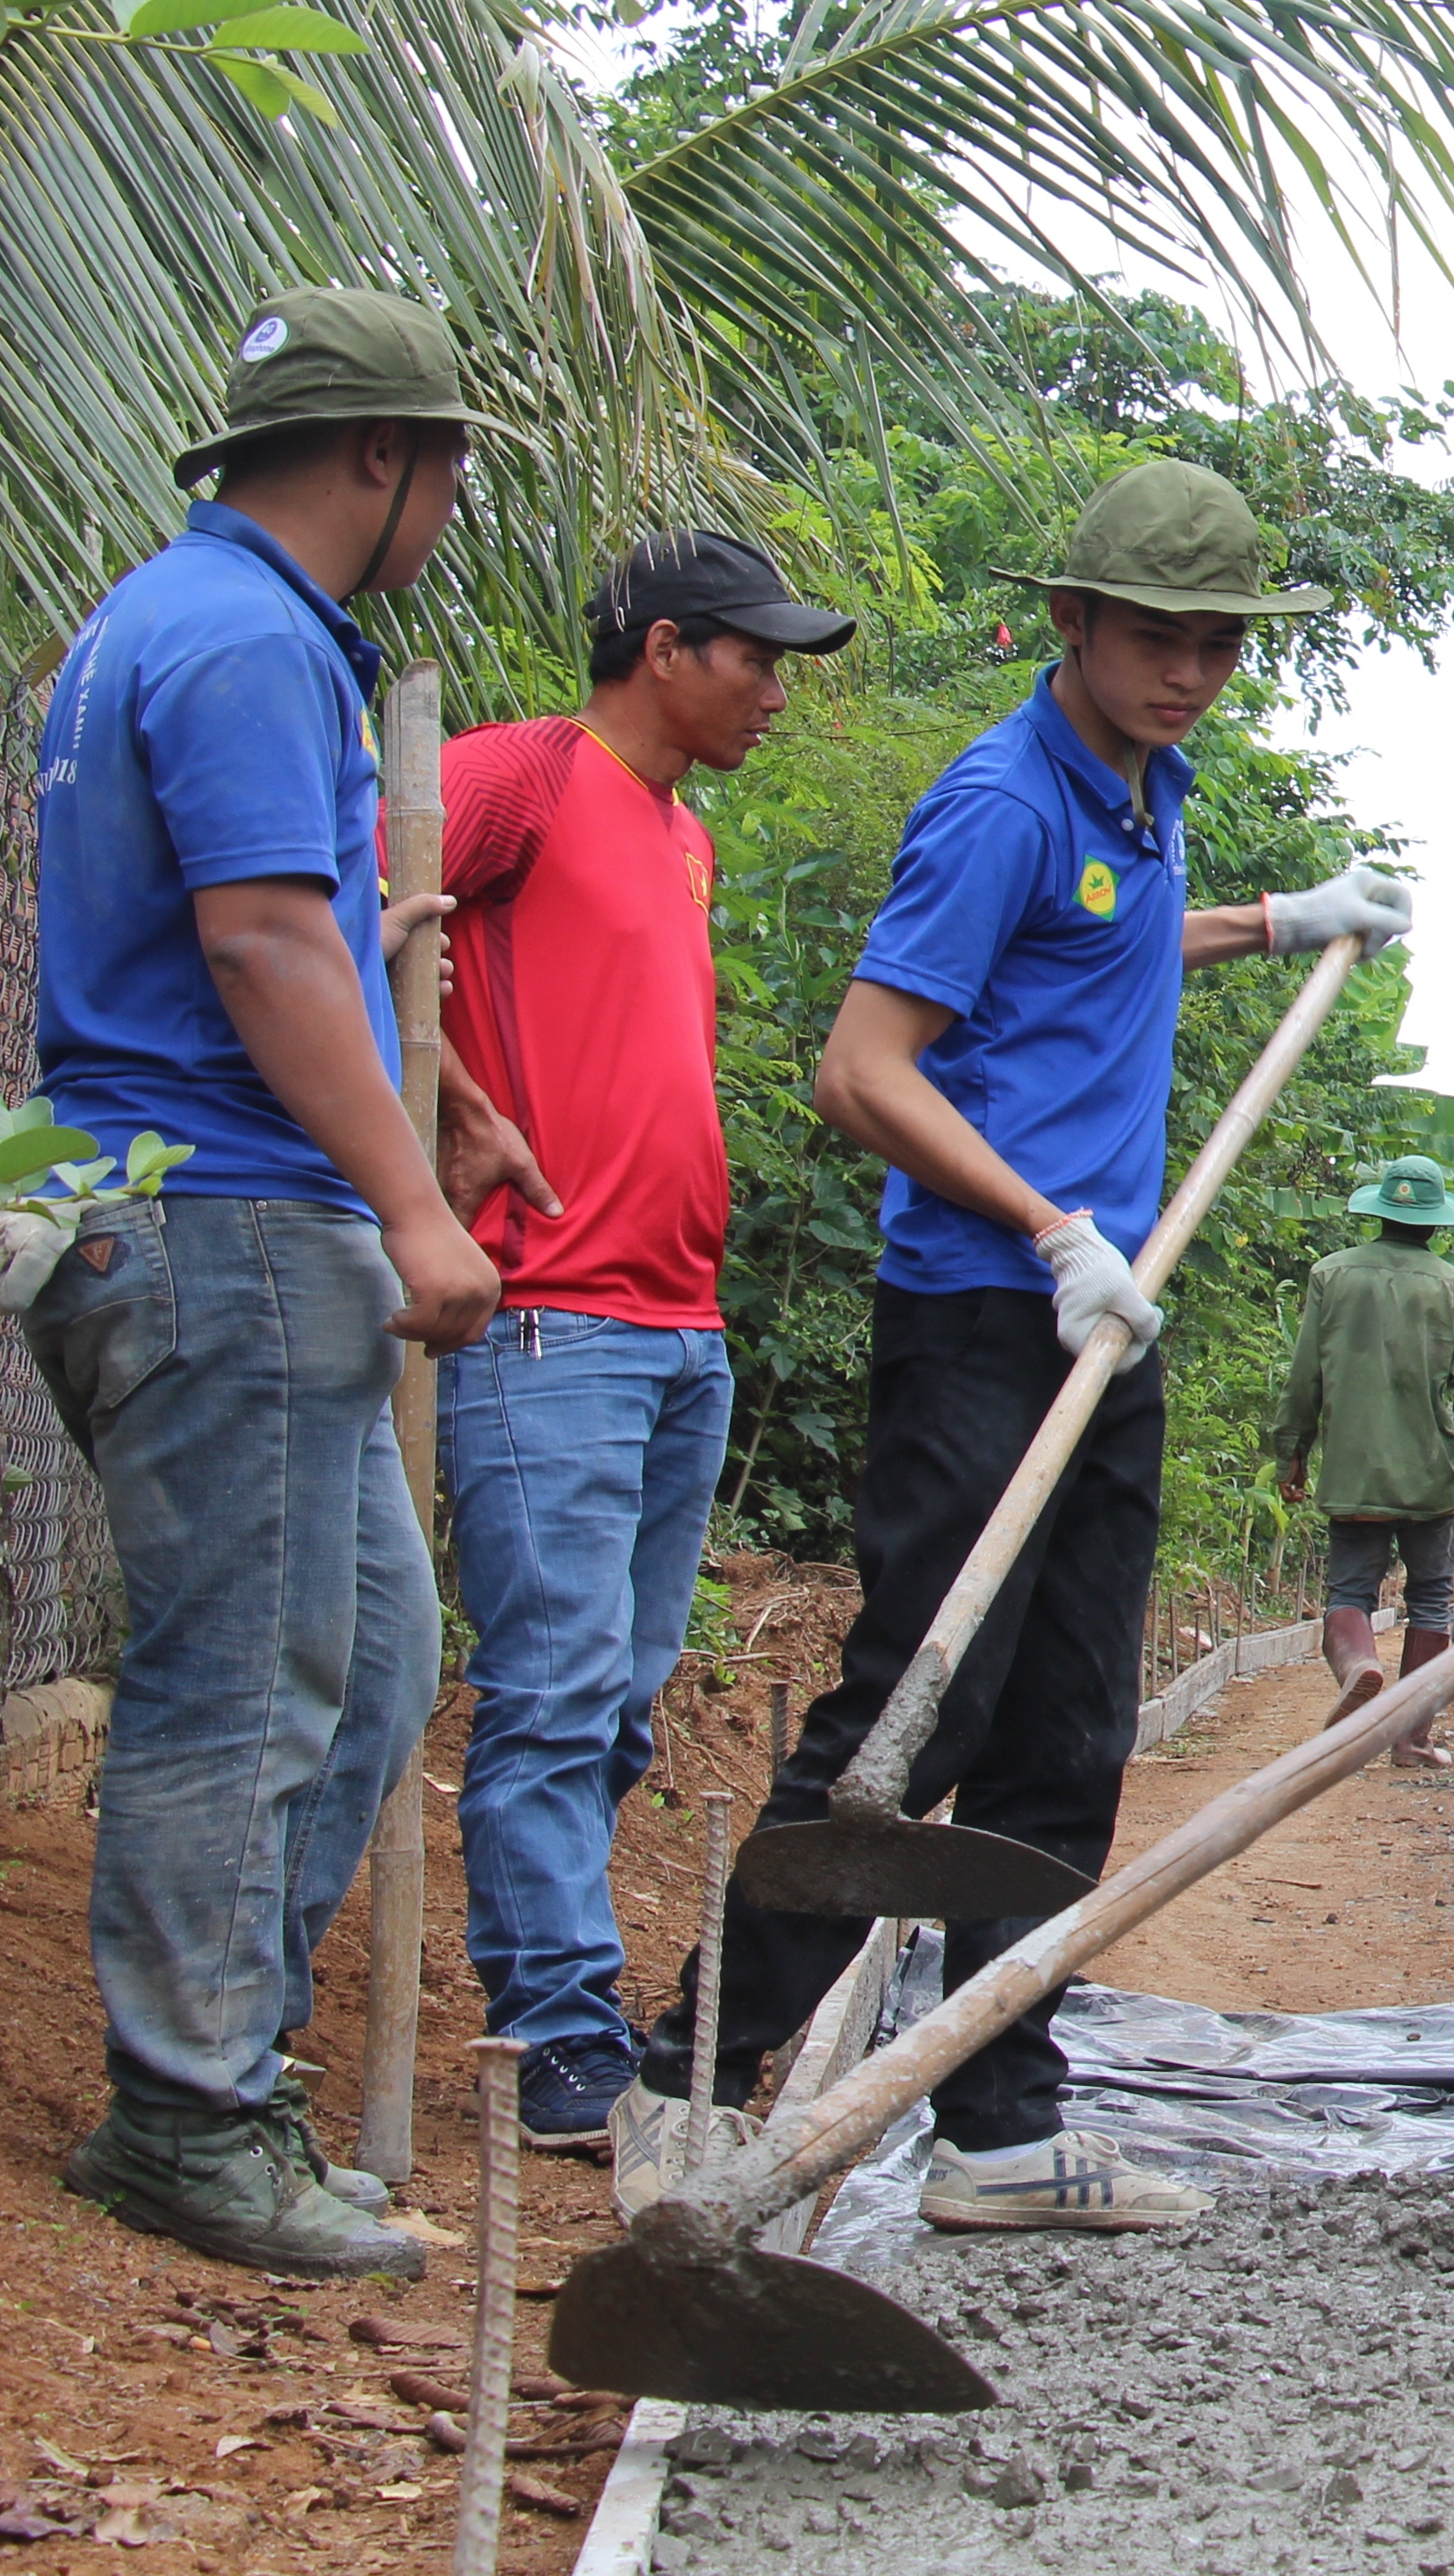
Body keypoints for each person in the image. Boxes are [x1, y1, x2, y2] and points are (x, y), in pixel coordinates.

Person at [611, 459, 1408, 2235]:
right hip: (988, 1315)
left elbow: (1100, 948)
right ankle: (687, 2075)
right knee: (921, 1707)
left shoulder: (1146, 787)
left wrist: (1277, 925)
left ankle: (1000, 2125)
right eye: (1157, 637)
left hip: (1107, 1325)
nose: (1188, 672)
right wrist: (1049, 1230)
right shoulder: (997, 800)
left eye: (1218, 645)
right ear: (1070, 620)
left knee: (1067, 1729)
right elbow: (864, 1068)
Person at [26, 290, 512, 2278]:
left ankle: (231, 2062)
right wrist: (413, 1208)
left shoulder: (166, 620)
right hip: (222, 1219)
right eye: (449, 470)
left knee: (371, 1660)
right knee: (242, 1676)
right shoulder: (246, 638)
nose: (450, 509)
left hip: (183, 1195)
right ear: (384, 454)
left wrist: (426, 1087)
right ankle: (188, 2111)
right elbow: (256, 944)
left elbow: (254, 928)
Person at [427, 529, 854, 2155]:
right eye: (757, 658)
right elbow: (335, 907)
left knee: (614, 1704)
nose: (775, 694)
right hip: (547, 1318)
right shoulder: (522, 776)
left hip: (676, 1328)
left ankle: (557, 1997)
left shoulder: (685, 837)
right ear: (665, 648)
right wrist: (454, 1109)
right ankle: (554, 2031)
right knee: (551, 1693)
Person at [1273, 1155, 1454, 1768]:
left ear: (1379, 1211)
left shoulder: (1330, 1276)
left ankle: (1359, 1663)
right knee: (1429, 1601)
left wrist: (1292, 1453)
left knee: (1349, 1590)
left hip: (1353, 1471)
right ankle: (1410, 1739)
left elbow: (1305, 1378)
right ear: (1437, 1221)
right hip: (1428, 1475)